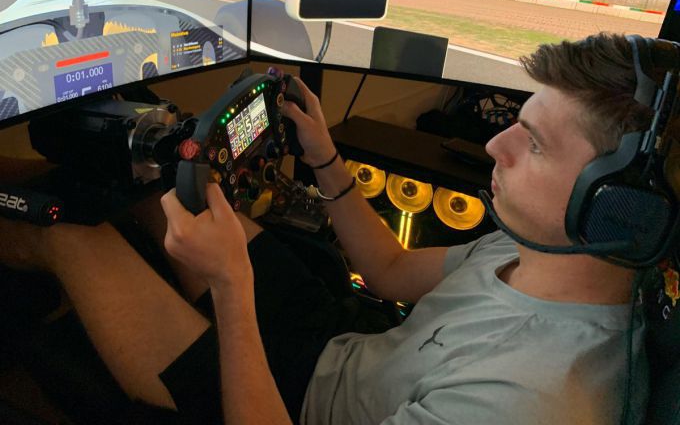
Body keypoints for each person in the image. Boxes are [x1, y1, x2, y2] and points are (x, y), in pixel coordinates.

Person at [0, 32, 656, 424]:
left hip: (284, 406)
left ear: (618, 205)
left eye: (534, 143)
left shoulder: (529, 400)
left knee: (67, 234)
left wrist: (232, 286)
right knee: (161, 180)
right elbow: (390, 272)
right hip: (334, 347)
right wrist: (324, 155)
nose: (494, 146)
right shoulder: (534, 247)